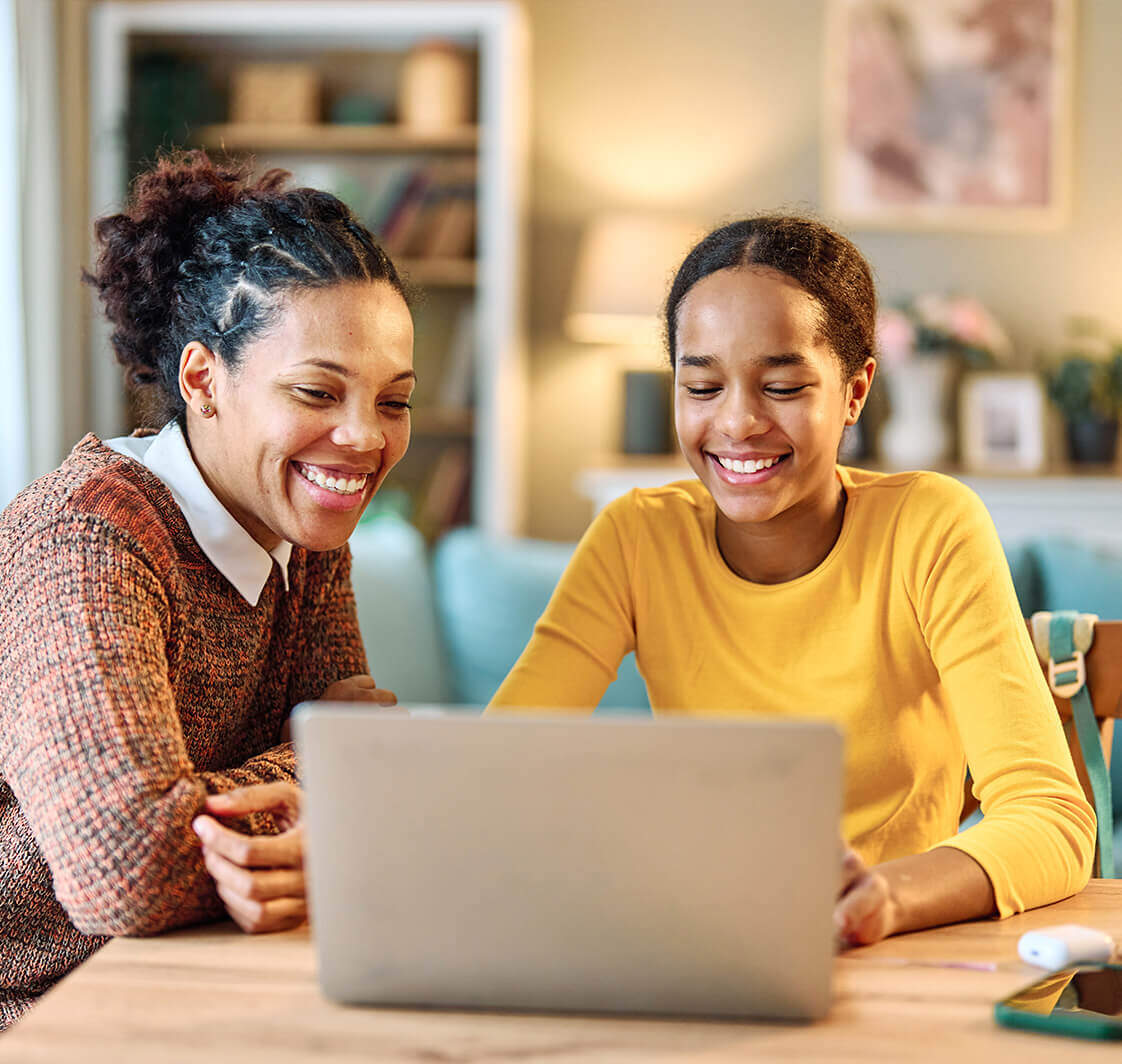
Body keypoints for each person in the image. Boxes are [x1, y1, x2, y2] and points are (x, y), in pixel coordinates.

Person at [489, 215, 1096, 946]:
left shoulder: (931, 527)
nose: (738, 422)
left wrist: (884, 899)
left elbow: (1051, 817)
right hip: (704, 938)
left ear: (855, 391)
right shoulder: (636, 536)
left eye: (781, 385)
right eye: (703, 385)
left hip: (898, 952)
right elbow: (499, 767)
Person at [0, 150, 413, 1029]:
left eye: (394, 401)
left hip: (193, 971)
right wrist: (316, 797)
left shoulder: (301, 518)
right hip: (38, 1008)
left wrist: (323, 779)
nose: (363, 438)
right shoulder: (90, 535)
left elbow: (370, 755)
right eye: (318, 391)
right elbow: (129, 868)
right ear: (201, 380)